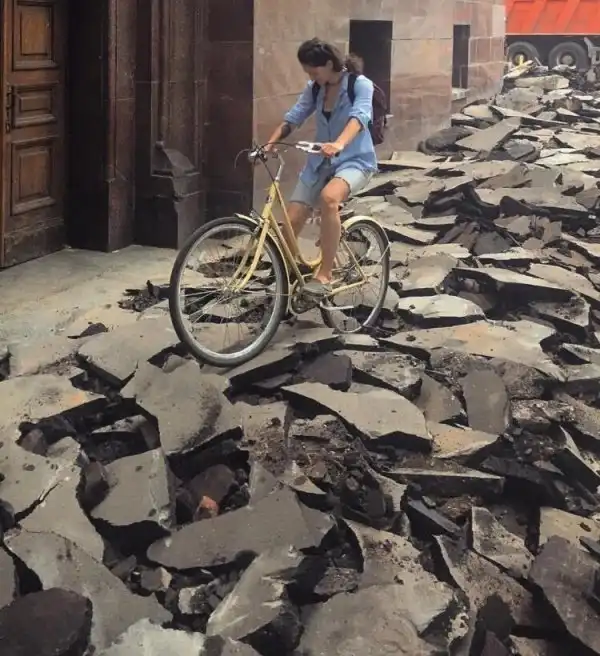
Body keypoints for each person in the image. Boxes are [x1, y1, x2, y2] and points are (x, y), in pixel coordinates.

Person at [262, 38, 378, 298]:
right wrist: (270, 143)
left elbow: (360, 117)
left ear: (328, 64)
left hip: (355, 160)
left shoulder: (360, 85)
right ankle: (285, 276)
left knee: (329, 198)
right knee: (290, 221)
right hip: (319, 163)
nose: (311, 77)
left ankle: (325, 274)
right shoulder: (315, 89)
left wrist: (339, 143)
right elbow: (294, 117)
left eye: (313, 71)